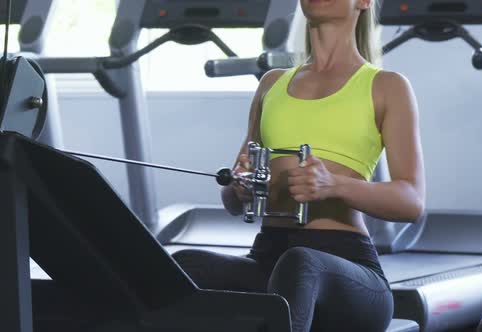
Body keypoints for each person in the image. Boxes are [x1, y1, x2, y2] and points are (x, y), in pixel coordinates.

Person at [171, 0, 426, 331]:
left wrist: (334, 185)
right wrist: (239, 186)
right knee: (183, 266)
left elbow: (411, 202)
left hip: (346, 270)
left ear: (363, 2)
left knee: (301, 264)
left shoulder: (387, 86)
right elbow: (234, 202)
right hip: (267, 258)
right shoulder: (271, 84)